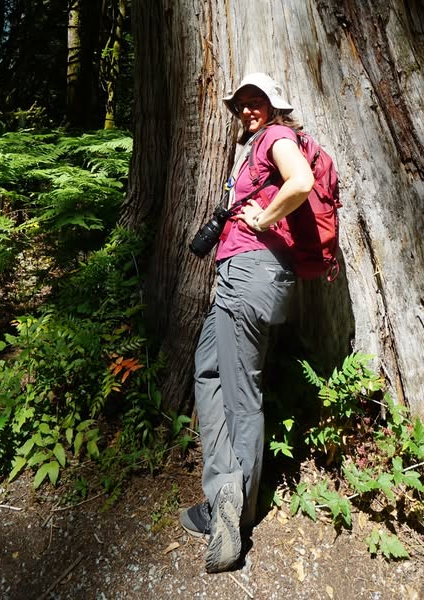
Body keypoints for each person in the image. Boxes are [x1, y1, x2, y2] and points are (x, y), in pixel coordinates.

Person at [180, 71, 315, 573]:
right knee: (209, 370)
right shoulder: (256, 145)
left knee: (242, 397)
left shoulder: (278, 137)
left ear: (274, 106)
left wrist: (262, 218)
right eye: (242, 103)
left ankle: (234, 516)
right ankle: (226, 495)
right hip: (241, 278)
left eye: (256, 101)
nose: (247, 110)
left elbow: (300, 181)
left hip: (250, 274)